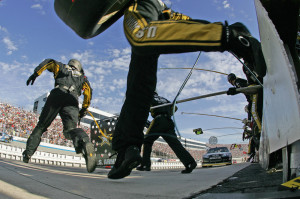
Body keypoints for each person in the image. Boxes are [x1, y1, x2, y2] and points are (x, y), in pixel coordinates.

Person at [107, 0, 267, 179]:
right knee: (138, 84)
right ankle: (126, 150)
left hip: (142, 4)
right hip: (160, 13)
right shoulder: (161, 99)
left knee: (140, 35)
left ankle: (232, 35)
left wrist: (221, 35)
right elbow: (183, 23)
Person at [23, 59, 97, 173]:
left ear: (70, 64)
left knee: (41, 126)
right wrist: (84, 110)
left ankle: (28, 153)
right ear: (79, 68)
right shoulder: (83, 78)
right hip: (72, 100)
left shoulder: (61, 66)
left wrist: (36, 73)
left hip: (57, 93)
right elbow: (88, 93)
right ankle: (85, 140)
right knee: (70, 130)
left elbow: (49, 62)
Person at [136, 92, 197, 173]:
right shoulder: (165, 99)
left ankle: (145, 165)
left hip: (158, 120)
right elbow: (175, 108)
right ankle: (190, 163)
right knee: (175, 144)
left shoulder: (149, 98)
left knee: (147, 141)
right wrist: (168, 113)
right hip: (168, 121)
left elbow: (143, 110)